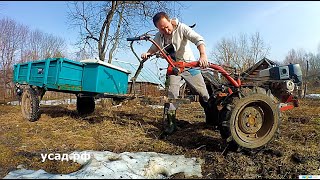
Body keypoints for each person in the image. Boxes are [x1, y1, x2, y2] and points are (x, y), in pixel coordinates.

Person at [141, 12, 210, 135]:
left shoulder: (181, 28)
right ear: (158, 28)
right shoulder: (159, 36)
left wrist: (203, 55)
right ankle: (171, 124)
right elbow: (153, 48)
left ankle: (212, 119)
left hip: (190, 66)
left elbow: (198, 39)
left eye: (167, 26)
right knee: (172, 95)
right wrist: (147, 53)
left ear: (170, 21)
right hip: (174, 68)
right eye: (162, 29)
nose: (166, 30)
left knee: (203, 94)